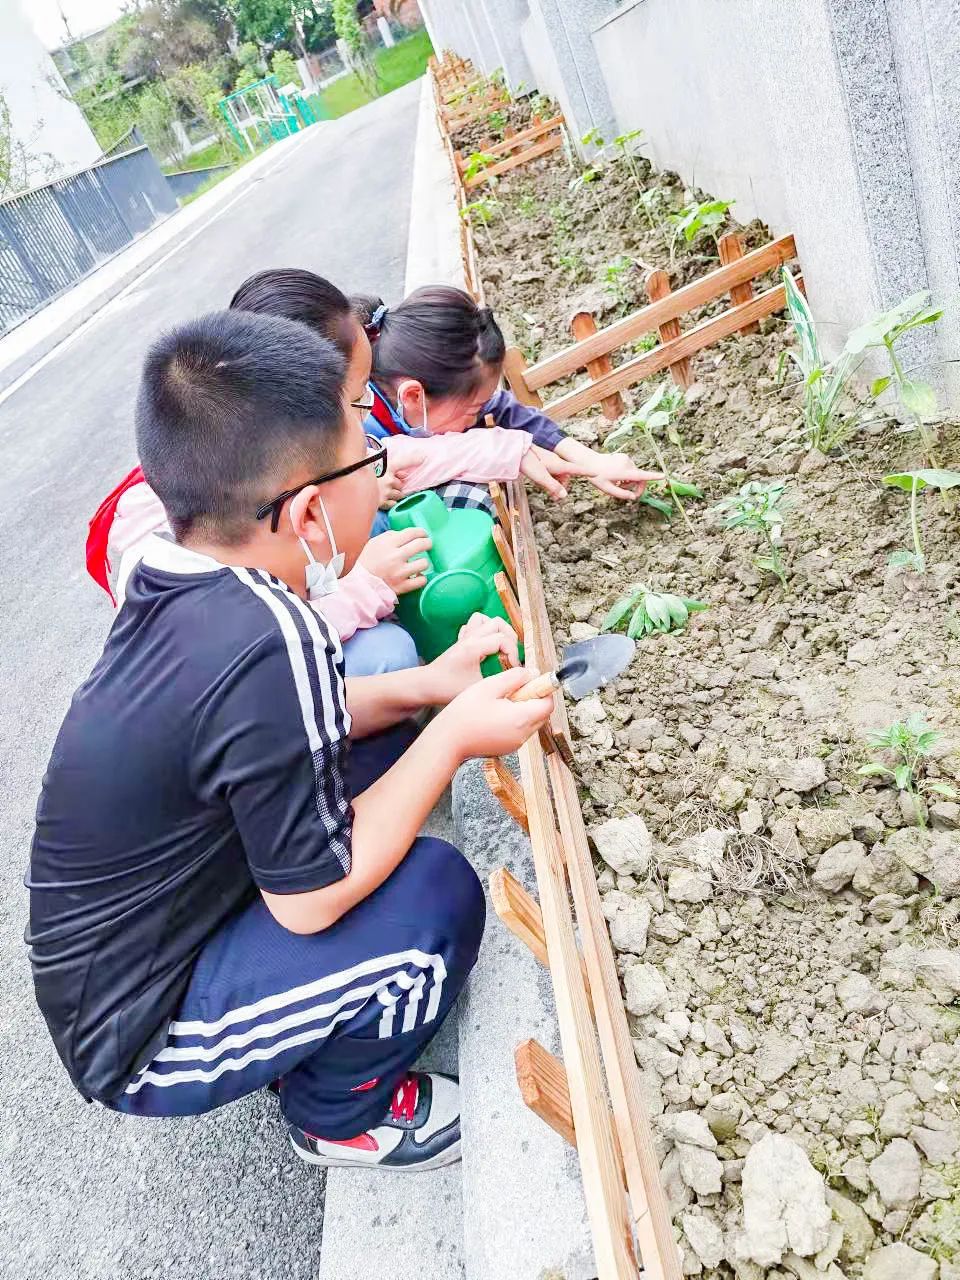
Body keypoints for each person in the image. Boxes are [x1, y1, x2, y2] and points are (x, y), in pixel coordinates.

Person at [28, 309, 555, 1172]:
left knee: (382, 751)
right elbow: (311, 902)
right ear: (310, 515)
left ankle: (291, 1010)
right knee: (435, 902)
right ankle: (335, 1114)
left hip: (163, 922)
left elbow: (297, 727)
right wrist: (453, 734)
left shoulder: (187, 580)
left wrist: (429, 687)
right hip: (140, 1030)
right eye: (367, 460)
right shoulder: (271, 637)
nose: (381, 475)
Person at [355, 284, 659, 505]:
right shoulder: (357, 433)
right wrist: (368, 492)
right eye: (472, 410)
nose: (478, 415)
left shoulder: (423, 396)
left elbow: (507, 411)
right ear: (413, 397)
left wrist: (591, 461)